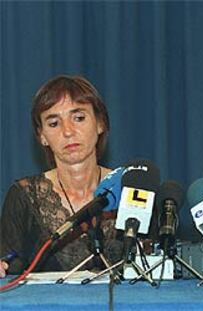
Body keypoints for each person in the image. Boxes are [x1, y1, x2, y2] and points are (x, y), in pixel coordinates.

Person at [0, 75, 120, 278]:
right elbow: (9, 264)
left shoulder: (131, 189)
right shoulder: (24, 197)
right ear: (42, 136)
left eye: (79, 118)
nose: (68, 131)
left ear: (100, 124)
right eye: (54, 123)